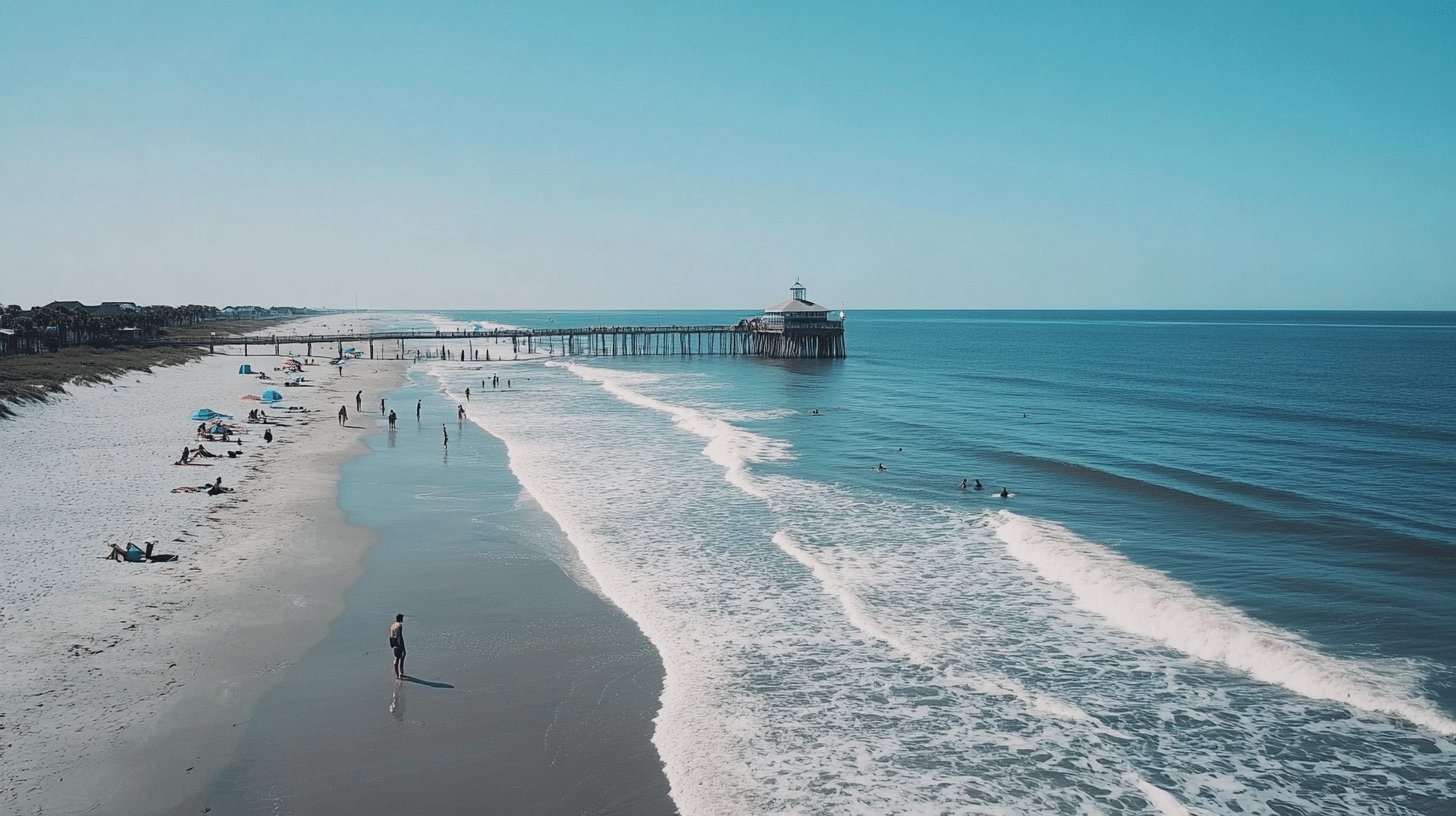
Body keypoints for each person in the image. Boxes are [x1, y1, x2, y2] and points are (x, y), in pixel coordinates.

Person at [390, 613, 406, 678]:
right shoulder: (399, 625)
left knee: (397, 657)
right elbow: (399, 636)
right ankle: (401, 672)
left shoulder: (393, 625)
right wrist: (402, 646)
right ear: (400, 618)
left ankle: (397, 674)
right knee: (402, 655)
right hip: (398, 643)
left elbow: (392, 635)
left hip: (393, 642)